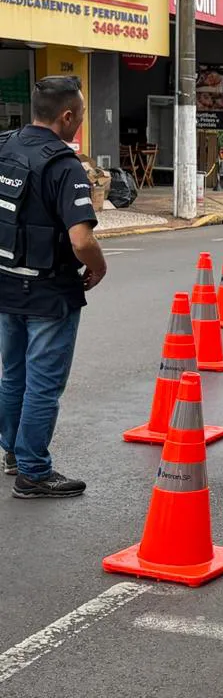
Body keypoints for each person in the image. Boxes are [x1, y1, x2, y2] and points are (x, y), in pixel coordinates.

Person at [0, 75, 107, 499]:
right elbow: (82, 240)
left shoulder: (6, 146)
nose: (80, 121)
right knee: (43, 384)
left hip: (7, 283)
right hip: (48, 294)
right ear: (66, 115)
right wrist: (98, 268)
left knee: (13, 375)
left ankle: (13, 453)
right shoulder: (64, 166)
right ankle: (33, 472)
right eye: (80, 114)